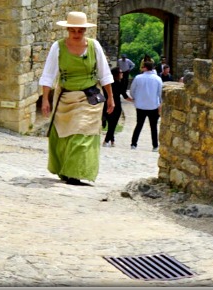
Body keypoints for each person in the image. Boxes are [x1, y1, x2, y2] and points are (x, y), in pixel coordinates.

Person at [40, 11, 115, 185]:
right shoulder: (57, 47)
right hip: (65, 96)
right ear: (68, 30)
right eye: (73, 31)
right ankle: (65, 170)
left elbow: (105, 74)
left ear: (84, 31)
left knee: (83, 132)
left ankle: (76, 173)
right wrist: (45, 99)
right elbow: (48, 75)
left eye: (80, 31)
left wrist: (110, 97)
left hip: (89, 98)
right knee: (65, 133)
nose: (76, 34)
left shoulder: (94, 46)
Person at [127, 59, 163, 151]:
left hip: (140, 105)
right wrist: (160, 103)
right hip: (153, 105)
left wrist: (135, 98)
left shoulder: (138, 78)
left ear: (145, 68)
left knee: (139, 125)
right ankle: (155, 145)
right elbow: (160, 93)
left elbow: (132, 91)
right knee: (153, 127)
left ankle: (133, 144)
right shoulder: (158, 79)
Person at [102, 60, 122, 146]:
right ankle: (106, 141)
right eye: (120, 72)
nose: (122, 74)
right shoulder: (118, 84)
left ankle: (112, 140)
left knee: (111, 124)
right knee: (113, 124)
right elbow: (124, 95)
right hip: (115, 106)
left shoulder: (108, 84)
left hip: (106, 105)